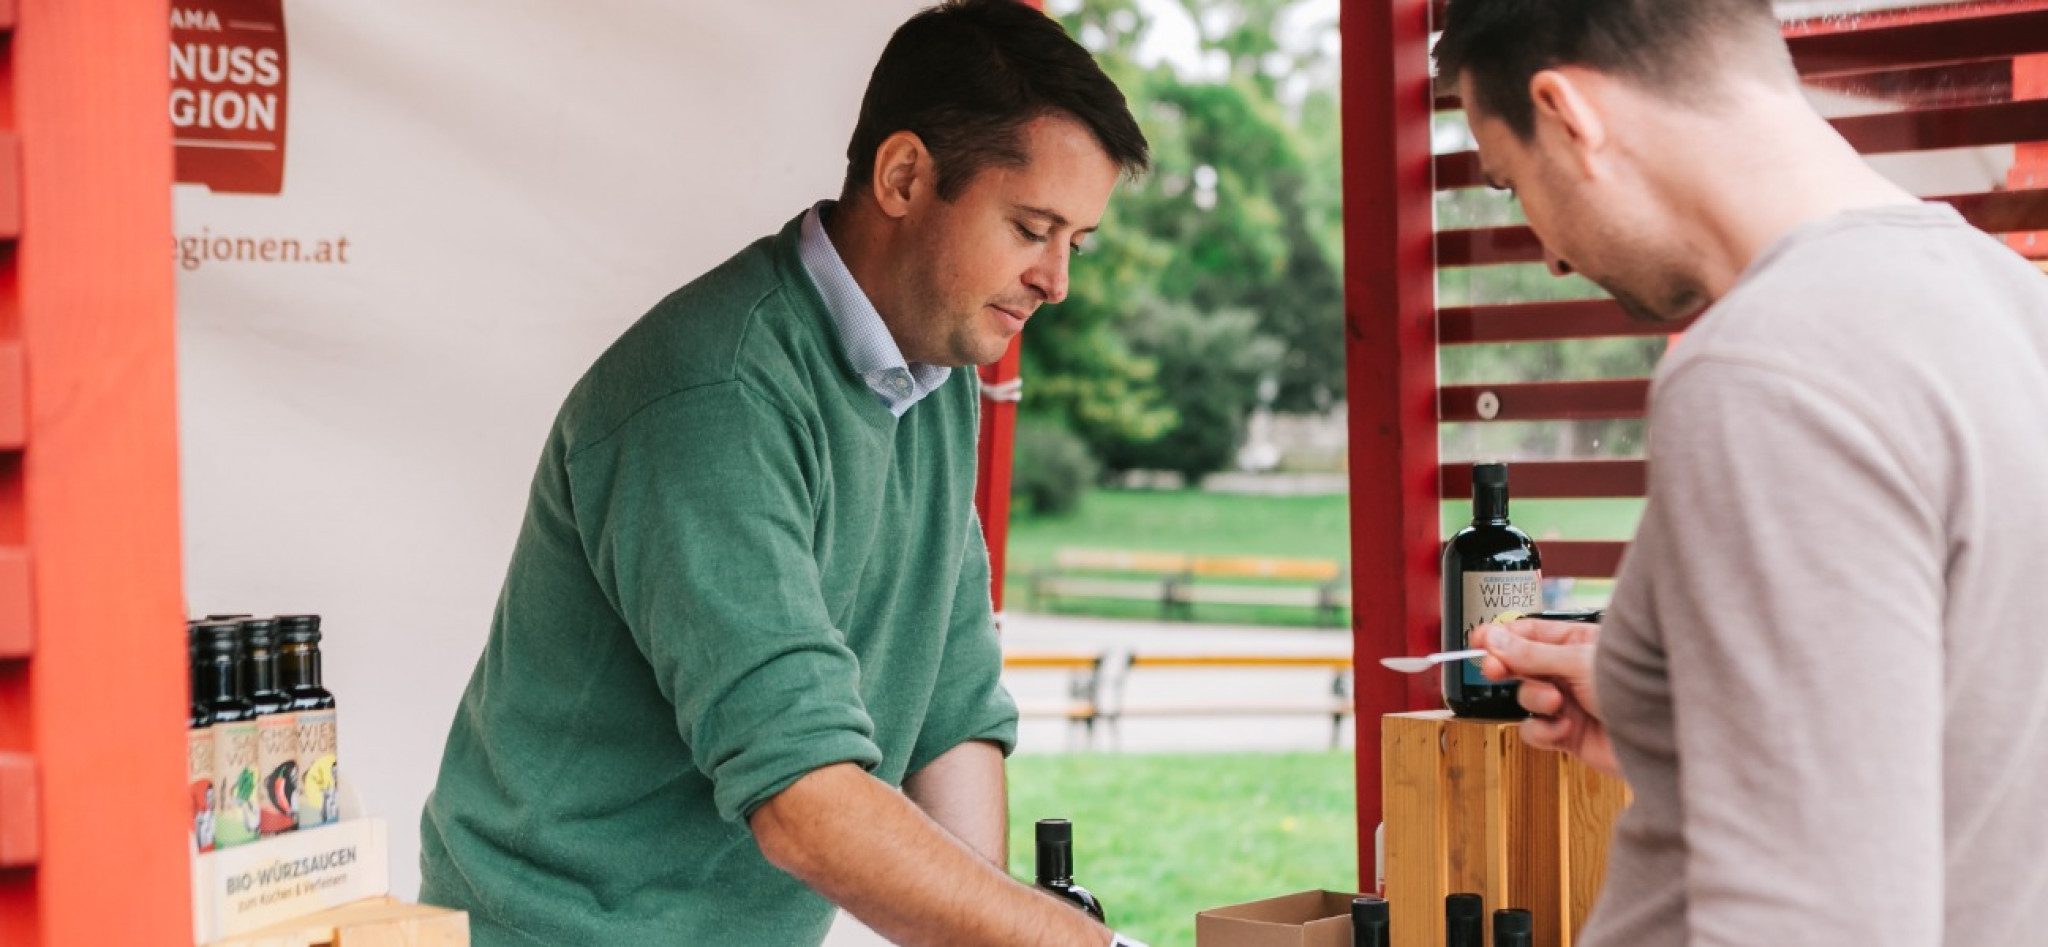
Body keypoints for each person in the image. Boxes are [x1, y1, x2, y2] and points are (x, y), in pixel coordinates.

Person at [417, 3, 1151, 945]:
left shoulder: (937, 375)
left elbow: (952, 703)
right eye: (1031, 228)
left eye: (1075, 243)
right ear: (903, 176)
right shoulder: (712, 393)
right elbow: (801, 798)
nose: (1057, 280)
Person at [1434, 0, 2048, 944]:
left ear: (1567, 114)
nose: (1550, 257)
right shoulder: (2011, 302)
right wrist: (1682, 726)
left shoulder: (1767, 367)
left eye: (1513, 185)